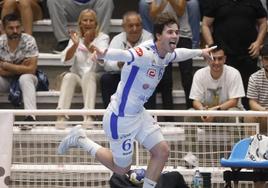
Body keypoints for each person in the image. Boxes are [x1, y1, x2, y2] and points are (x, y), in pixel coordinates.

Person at [57, 13, 215, 188]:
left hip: (139, 113)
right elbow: (126, 55)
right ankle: (80, 139)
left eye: (177, 32)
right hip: (121, 117)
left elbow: (179, 54)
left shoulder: (167, 53)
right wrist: (104, 54)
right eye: (170, 32)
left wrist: (201, 52)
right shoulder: (145, 53)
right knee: (121, 169)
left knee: (161, 151)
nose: (175, 36)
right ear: (158, 36)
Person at [201, 0, 267, 110]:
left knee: (248, 95)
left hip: (248, 54)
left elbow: (263, 22)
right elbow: (205, 24)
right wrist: (212, 46)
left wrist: (258, 42)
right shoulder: (215, 2)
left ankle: (247, 125)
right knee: (225, 95)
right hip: (223, 56)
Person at [56, 9, 109, 129]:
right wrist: (75, 45)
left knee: (89, 75)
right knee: (69, 76)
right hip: (79, 78)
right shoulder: (75, 38)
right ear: (80, 23)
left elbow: (102, 59)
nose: (88, 23)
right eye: (85, 20)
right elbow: (66, 60)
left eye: (91, 20)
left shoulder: (103, 37)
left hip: (95, 78)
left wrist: (87, 44)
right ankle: (61, 116)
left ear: (96, 24)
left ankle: (88, 116)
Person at [101, 11, 152, 108]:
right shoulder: (117, 39)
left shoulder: (148, 38)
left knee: (148, 81)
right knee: (106, 79)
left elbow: (151, 61)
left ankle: (147, 118)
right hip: (121, 76)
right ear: (124, 27)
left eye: (138, 25)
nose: (134, 29)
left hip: (140, 76)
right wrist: (119, 63)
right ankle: (109, 114)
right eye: (131, 25)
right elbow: (107, 65)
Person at [148, 0, 194, 109]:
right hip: (165, 36)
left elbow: (180, 11)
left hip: (182, 35)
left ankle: (191, 112)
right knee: (166, 79)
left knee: (187, 77)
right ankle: (169, 119)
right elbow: (153, 15)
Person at [185, 45, 245, 123]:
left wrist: (215, 110)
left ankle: (237, 136)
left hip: (226, 112)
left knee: (234, 114)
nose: (216, 62)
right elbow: (195, 100)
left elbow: (234, 101)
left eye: (220, 59)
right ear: (207, 59)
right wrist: (203, 111)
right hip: (207, 112)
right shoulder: (199, 74)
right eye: (213, 58)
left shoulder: (234, 73)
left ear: (224, 59)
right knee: (189, 115)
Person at [0, 13, 39, 130]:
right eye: (11, 28)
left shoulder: (29, 41)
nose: (15, 31)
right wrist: (20, 67)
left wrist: (6, 65)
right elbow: (0, 72)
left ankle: (30, 118)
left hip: (29, 80)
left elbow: (31, 69)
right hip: (6, 80)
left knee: (25, 77)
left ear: (22, 27)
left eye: (18, 27)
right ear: (3, 28)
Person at [46, 0, 114, 53]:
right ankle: (64, 41)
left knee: (106, 1)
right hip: (70, 7)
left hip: (94, 6)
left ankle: (101, 40)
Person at [245, 45, 268, 135]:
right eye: (266, 58)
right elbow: (252, 103)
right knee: (249, 115)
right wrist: (264, 111)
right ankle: (253, 147)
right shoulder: (254, 77)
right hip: (262, 115)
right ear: (261, 59)